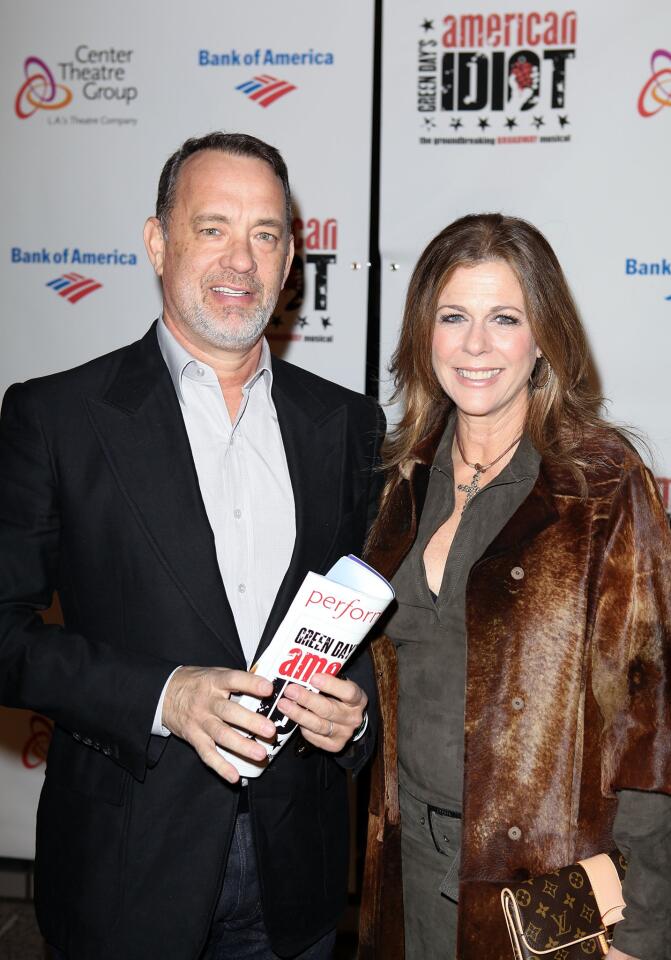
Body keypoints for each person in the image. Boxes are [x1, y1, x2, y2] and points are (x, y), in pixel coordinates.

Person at [0, 132, 385, 960]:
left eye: (265, 234)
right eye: (212, 227)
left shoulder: (350, 426)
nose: (239, 259)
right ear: (156, 241)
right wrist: (162, 696)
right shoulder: (58, 418)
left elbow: (372, 627)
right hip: (124, 872)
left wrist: (358, 711)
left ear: (290, 262)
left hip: (299, 876)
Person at [358, 213, 671, 960]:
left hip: (548, 886)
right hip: (408, 863)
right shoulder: (399, 480)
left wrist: (644, 923)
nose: (474, 345)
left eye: (504, 318)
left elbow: (650, 715)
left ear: (542, 339)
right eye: (453, 317)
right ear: (422, 332)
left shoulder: (598, 486)